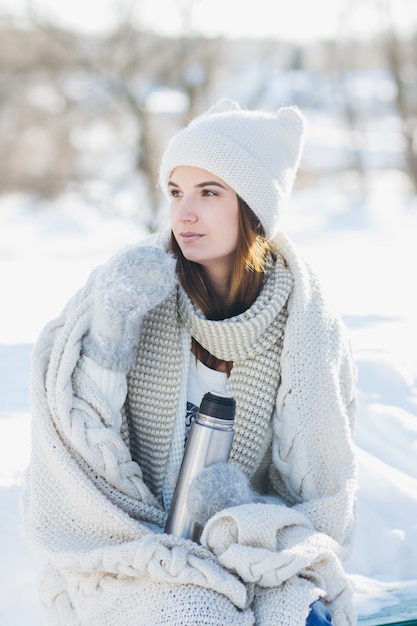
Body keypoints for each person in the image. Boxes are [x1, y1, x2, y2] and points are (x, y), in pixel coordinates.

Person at [23, 99, 358, 626]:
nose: (183, 213)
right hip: (129, 554)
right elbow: (76, 446)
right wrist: (109, 345)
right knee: (195, 609)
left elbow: (318, 496)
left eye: (208, 192)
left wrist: (244, 511)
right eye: (176, 192)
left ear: (252, 207)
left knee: (305, 617)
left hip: (243, 555)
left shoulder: (306, 328)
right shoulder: (133, 285)